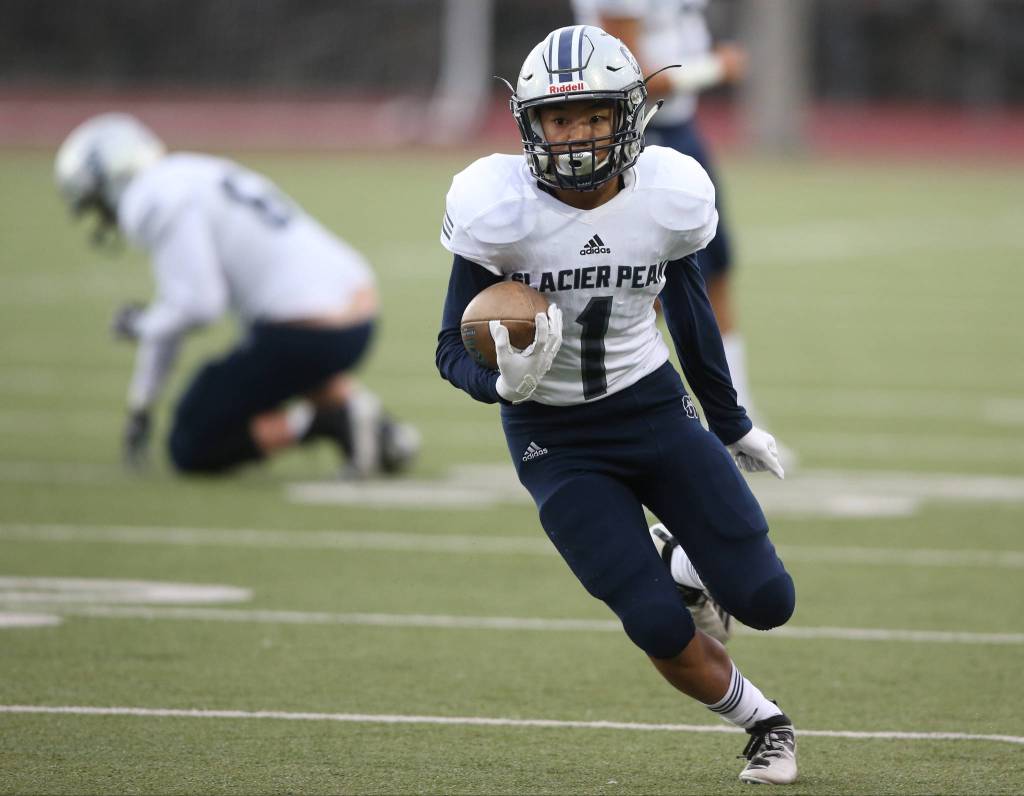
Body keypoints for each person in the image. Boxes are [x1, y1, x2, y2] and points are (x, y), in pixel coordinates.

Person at [435, 26, 797, 784]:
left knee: (768, 600)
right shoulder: (497, 207)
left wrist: (731, 423)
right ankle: (764, 721)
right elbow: (448, 349)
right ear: (530, 125)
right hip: (553, 437)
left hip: (653, 408)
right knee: (655, 623)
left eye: (593, 115)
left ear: (628, 114)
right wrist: (501, 385)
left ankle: (683, 561)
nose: (576, 135)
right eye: (559, 118)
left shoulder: (668, 192)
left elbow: (691, 314)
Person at [55, 113, 419, 477]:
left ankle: (330, 422)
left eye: (97, 203)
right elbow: (175, 308)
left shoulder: (149, 198)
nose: (102, 215)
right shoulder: (191, 170)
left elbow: (199, 305)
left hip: (308, 330)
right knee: (269, 362)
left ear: (112, 182)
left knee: (191, 441)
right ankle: (381, 430)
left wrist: (140, 325)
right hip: (356, 311)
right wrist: (142, 402)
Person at [572, 0, 792, 463]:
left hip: (677, 127)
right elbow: (630, 77)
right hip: (634, 132)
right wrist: (715, 68)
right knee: (643, 286)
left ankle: (735, 413)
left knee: (716, 270)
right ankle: (607, 416)